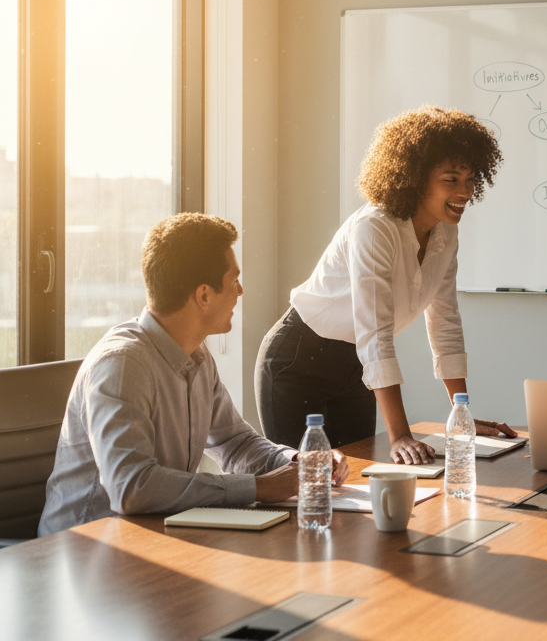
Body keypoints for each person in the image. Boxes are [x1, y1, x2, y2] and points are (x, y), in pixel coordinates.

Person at [39, 214, 348, 536]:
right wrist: (258, 488)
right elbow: (131, 487)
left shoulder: (196, 355)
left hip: (152, 535)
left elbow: (235, 443)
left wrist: (300, 460)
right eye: (233, 281)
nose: (240, 292)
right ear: (203, 295)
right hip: (82, 549)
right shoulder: (121, 365)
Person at [255, 106, 516, 465]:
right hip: (299, 362)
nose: (465, 192)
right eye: (451, 179)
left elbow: (445, 324)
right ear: (415, 177)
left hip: (356, 366)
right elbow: (375, 334)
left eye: (471, 180)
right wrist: (401, 435)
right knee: (304, 486)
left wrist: (462, 418)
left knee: (360, 479)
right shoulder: (375, 227)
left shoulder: (446, 232)